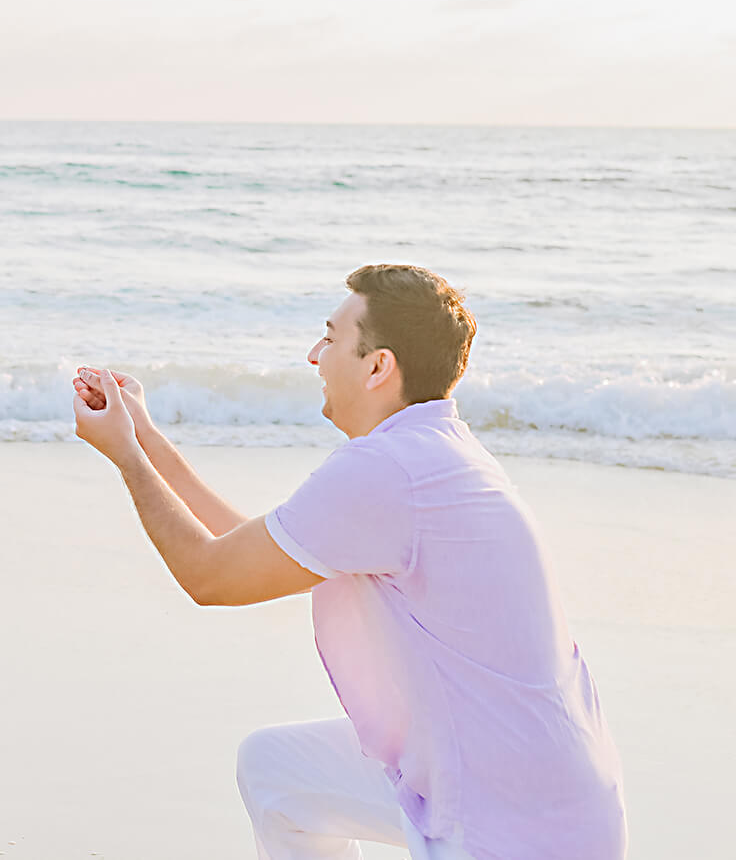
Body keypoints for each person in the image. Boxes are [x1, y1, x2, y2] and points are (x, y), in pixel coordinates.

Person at [71, 264, 626, 860]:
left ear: (378, 366)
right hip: (539, 793)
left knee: (278, 772)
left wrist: (126, 456)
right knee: (276, 771)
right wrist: (147, 439)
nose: (314, 355)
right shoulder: (432, 451)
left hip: (511, 829)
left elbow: (208, 577)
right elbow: (252, 551)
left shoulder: (389, 472)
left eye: (331, 338)